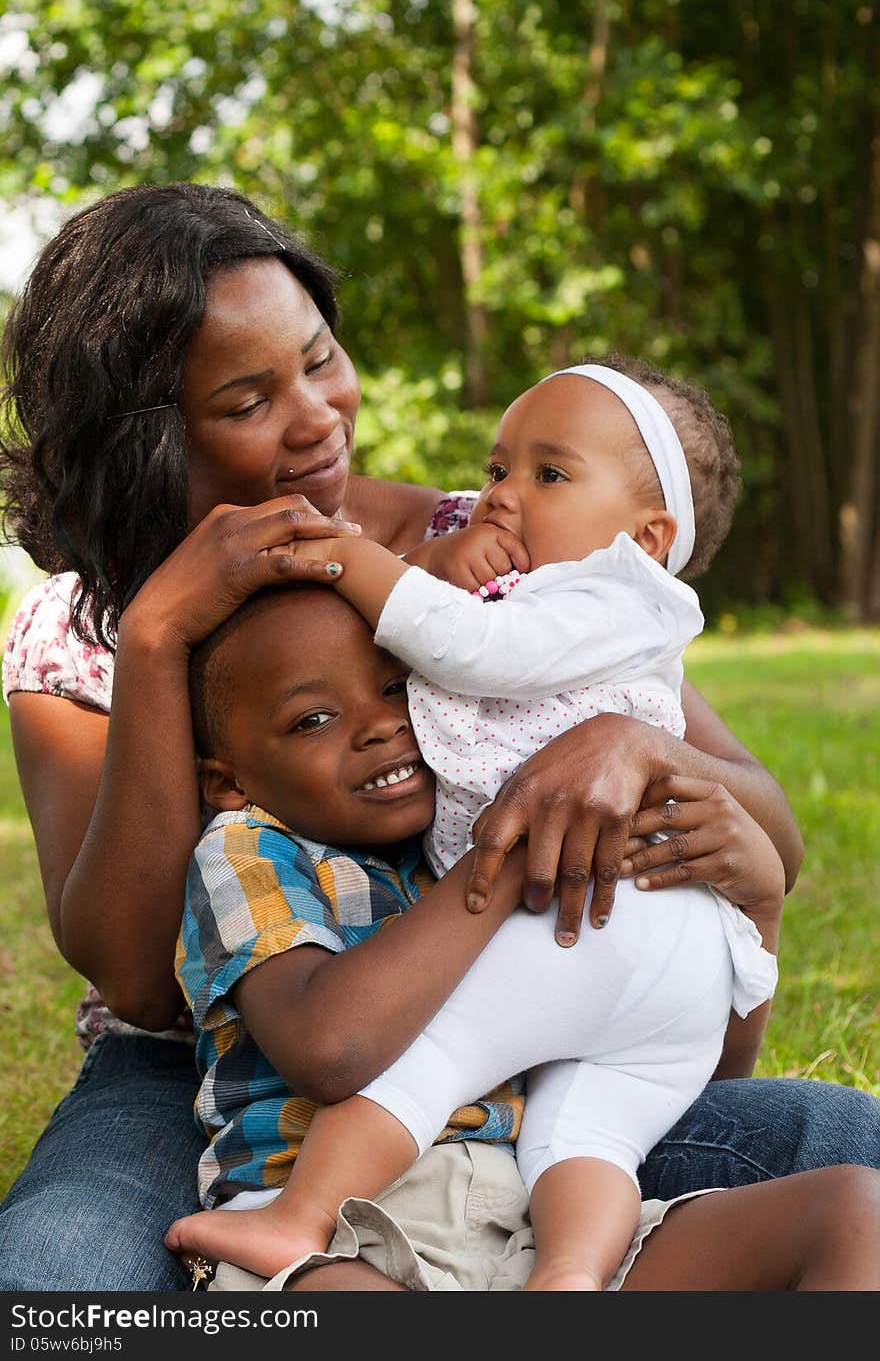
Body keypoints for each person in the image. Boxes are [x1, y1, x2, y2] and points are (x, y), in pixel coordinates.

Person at [0, 182, 877, 1293]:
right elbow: (133, 976)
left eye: (320, 359)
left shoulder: (492, 540)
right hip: (193, 1080)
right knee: (51, 1279)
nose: (317, 414)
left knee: (852, 1145)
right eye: (247, 397)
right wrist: (162, 632)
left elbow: (764, 828)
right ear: (151, 439)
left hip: (516, 1050)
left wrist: (637, 746)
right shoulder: (80, 631)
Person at [166, 360, 780, 1291]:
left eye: (546, 475)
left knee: (442, 1052)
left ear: (650, 536)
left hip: (589, 928)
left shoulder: (593, 598)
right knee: (593, 1137)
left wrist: (345, 554)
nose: (498, 499)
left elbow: (466, 643)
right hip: (668, 972)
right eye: (496, 471)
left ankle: (301, 1215)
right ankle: (570, 1278)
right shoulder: (576, 597)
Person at [163, 582, 879, 1292]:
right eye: (313, 717)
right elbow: (328, 1047)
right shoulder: (249, 849)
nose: (381, 725)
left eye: (397, 689)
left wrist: (756, 913)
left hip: (530, 1230)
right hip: (329, 1236)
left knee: (855, 1211)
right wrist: (506, 854)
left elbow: (691, 1078)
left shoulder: (456, 830)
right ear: (228, 781)